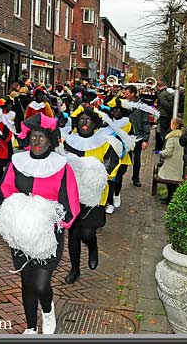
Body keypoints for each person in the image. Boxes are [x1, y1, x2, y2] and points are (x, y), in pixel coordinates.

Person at [0, 114, 80, 334]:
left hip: (49, 235)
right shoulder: (17, 162)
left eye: (42, 137)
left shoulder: (61, 167)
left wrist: (48, 220)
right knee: (27, 281)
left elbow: (69, 203)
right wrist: (16, 215)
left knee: (41, 283)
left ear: (50, 141)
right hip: (20, 234)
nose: (37, 141)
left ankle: (48, 310)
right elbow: (4, 193)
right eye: (33, 136)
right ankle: (31, 326)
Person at [62, 107, 121, 284]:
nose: (84, 122)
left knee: (87, 233)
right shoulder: (68, 141)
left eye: (88, 120)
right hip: (73, 194)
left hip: (95, 196)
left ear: (95, 124)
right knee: (73, 234)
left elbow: (112, 164)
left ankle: (92, 246)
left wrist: (96, 174)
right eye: (81, 119)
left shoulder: (104, 142)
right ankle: (74, 269)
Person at [124, 85, 151, 187]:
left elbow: (145, 122)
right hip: (125, 136)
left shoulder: (141, 106)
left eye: (127, 93)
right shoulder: (123, 104)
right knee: (123, 158)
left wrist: (145, 139)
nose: (125, 95)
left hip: (137, 136)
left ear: (133, 94)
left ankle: (136, 178)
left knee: (137, 160)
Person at [157, 118, 185, 204]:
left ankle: (170, 199)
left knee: (170, 182)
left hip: (172, 163)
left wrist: (160, 152)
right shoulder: (184, 136)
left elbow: (168, 152)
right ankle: (173, 198)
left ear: (174, 126)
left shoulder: (172, 138)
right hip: (180, 162)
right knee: (176, 183)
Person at [155, 80, 174, 153]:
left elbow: (165, 104)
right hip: (166, 115)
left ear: (158, 86)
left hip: (164, 115)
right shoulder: (166, 92)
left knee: (162, 133)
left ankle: (163, 149)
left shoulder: (162, 94)